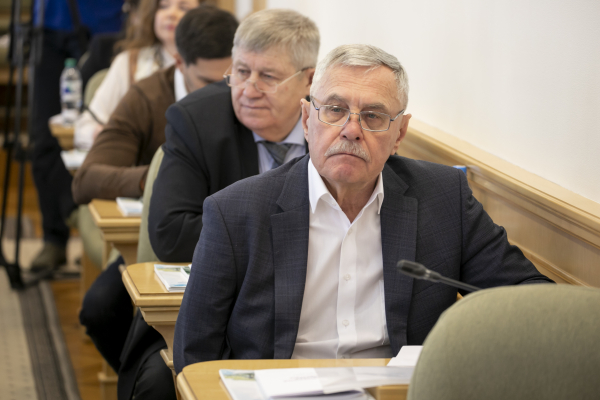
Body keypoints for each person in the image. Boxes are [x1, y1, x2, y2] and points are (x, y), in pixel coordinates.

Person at [173, 44, 554, 372]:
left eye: (373, 116)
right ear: (307, 120)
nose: (351, 129)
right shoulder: (236, 211)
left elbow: (529, 296)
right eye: (334, 110)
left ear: (399, 133)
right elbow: (196, 352)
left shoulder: (443, 198)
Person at [73, 7, 237, 400]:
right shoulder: (147, 94)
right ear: (179, 63)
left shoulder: (246, 103)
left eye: (230, 79)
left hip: (225, 247)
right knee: (100, 309)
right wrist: (166, 177)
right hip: (164, 239)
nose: (223, 94)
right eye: (208, 82)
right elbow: (87, 178)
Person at [148, 8, 319, 261]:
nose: (248, 91)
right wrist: (291, 232)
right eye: (241, 72)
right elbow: (171, 235)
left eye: (268, 76)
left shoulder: (334, 126)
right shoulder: (197, 120)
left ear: (309, 80)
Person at [28, 0, 124, 272]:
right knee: (44, 139)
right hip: (47, 25)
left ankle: (95, 238)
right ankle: (53, 238)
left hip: (105, 25)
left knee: (102, 137)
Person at [73, 0, 200, 150]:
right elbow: (85, 127)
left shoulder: (211, 66)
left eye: (184, 8)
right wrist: (109, 137)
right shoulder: (129, 62)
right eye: (163, 6)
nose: (171, 14)